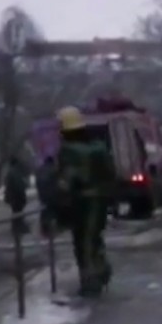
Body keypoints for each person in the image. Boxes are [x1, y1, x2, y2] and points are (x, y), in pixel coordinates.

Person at [55, 106, 114, 297]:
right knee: (95, 238)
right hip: (100, 200)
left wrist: (59, 204)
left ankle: (90, 280)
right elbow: (110, 173)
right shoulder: (99, 147)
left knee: (83, 242)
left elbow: (66, 181)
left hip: (81, 202)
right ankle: (101, 268)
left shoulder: (69, 151)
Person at [3, 155, 30, 235]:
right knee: (18, 212)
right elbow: (20, 185)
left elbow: (8, 186)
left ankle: (16, 228)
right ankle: (18, 228)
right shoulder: (16, 172)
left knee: (16, 212)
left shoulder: (10, 173)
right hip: (18, 197)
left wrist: (7, 197)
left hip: (13, 198)